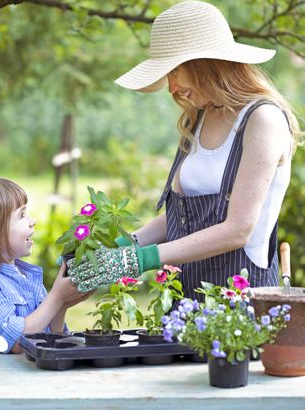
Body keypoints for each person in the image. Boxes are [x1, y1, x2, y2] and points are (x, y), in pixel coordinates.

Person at [67, 1, 302, 299]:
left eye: (175, 71)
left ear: (207, 62)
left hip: (241, 307)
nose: (172, 88)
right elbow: (180, 218)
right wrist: (119, 248)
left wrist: (140, 260)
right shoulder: (198, 118)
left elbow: (238, 229)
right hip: (183, 300)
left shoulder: (262, 120)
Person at [0, 178, 90, 353]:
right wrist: (56, 298)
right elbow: (14, 343)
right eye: (22, 215)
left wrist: (62, 305)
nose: (32, 221)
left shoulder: (25, 276)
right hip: (0, 379)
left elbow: (51, 338)